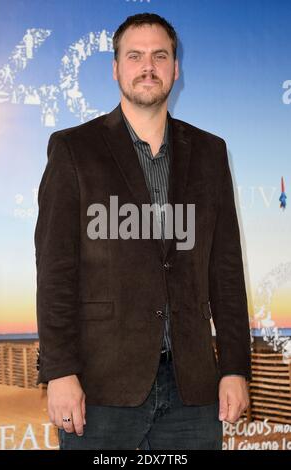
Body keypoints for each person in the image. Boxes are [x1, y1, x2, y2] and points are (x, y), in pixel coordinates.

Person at [34, 13, 251, 450]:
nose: (147, 66)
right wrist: (60, 371)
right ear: (116, 68)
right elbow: (56, 270)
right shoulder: (73, 149)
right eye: (134, 56)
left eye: (159, 55)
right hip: (100, 390)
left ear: (175, 68)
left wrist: (234, 368)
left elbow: (225, 272)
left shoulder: (211, 152)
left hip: (192, 390)